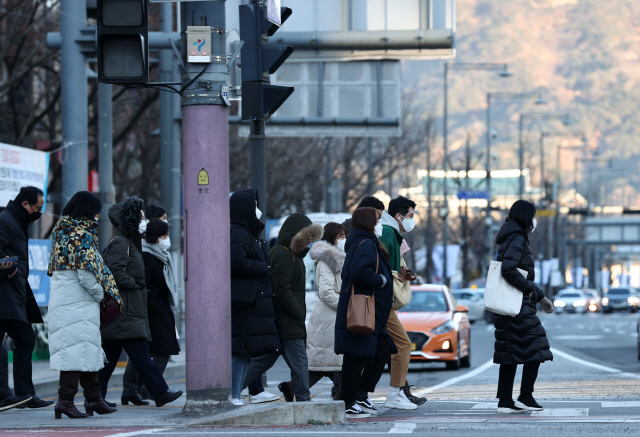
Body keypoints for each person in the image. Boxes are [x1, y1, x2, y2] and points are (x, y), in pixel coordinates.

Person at [98, 197, 182, 408]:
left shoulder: (130, 242)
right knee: (142, 356)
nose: (145, 220)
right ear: (130, 220)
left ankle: (95, 396)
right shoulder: (121, 243)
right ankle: (160, 392)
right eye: (141, 217)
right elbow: (114, 271)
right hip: (125, 310)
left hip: (127, 312)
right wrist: (136, 286)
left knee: (111, 359)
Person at [47, 191, 120, 419]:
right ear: (87, 210)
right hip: (77, 300)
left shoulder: (62, 230)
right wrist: (101, 295)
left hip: (65, 298)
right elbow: (86, 273)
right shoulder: (81, 233)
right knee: (74, 354)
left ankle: (93, 399)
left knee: (85, 350)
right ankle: (65, 401)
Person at [242, 213, 322, 403]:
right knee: (300, 362)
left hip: (280, 320)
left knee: (264, 360)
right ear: (297, 235)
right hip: (286, 321)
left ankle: (230, 390)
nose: (309, 243)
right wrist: (297, 312)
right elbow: (281, 288)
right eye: (307, 238)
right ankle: (304, 400)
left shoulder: (290, 254)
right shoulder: (285, 254)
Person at [335, 207, 397, 419]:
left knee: (380, 352)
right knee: (356, 357)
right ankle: (348, 401)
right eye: (377, 220)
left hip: (372, 311)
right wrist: (380, 280)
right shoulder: (366, 244)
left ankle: (359, 395)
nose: (380, 225)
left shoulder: (365, 242)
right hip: (363, 309)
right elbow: (359, 271)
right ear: (369, 223)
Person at [493, 200, 555, 414]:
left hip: (510, 304)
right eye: (533, 216)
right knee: (537, 347)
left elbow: (519, 274)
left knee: (510, 350)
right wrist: (532, 293)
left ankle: (505, 401)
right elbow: (510, 271)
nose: (535, 221)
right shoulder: (518, 238)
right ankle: (525, 396)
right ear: (526, 217)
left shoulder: (510, 237)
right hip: (518, 305)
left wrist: (541, 298)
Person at [280, 222, 347, 400]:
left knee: (332, 362)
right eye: (341, 237)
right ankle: (345, 398)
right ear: (332, 238)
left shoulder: (338, 259)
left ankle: (292, 388)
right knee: (332, 362)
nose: (344, 240)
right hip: (329, 317)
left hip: (333, 316)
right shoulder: (327, 261)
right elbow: (326, 292)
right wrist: (347, 304)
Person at [0, 186, 52, 409]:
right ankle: (8, 395)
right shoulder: (6, 220)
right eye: (37, 208)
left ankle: (24, 395)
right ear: (25, 205)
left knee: (25, 339)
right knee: (23, 339)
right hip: (5, 290)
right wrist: (8, 269)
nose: (38, 212)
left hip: (14, 291)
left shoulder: (17, 220)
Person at [229, 189, 282, 406]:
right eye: (255, 205)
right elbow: (236, 262)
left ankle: (238, 394)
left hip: (252, 301)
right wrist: (264, 267)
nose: (258, 210)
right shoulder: (239, 233)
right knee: (241, 351)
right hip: (245, 301)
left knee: (247, 351)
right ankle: (233, 394)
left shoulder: (248, 234)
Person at [121, 218, 181, 404]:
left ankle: (131, 389)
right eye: (164, 236)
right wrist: (155, 304)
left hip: (159, 309)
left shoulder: (160, 254)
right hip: (153, 311)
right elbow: (144, 284)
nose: (166, 239)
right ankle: (148, 388)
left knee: (143, 352)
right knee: (162, 349)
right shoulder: (147, 256)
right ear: (155, 237)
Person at [379, 195, 424, 409]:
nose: (412, 220)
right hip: (382, 301)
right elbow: (380, 265)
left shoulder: (391, 233)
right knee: (403, 344)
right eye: (409, 216)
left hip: (382, 300)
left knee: (382, 348)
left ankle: (358, 395)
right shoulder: (387, 233)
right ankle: (394, 394)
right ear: (398, 216)